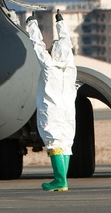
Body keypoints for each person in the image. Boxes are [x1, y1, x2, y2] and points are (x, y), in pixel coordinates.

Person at [25, 11, 77, 192]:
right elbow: (66, 42)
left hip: (53, 109)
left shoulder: (49, 65)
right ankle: (62, 180)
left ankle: (60, 180)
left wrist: (32, 23)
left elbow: (37, 45)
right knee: (66, 142)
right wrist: (60, 23)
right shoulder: (71, 67)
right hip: (68, 109)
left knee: (54, 142)